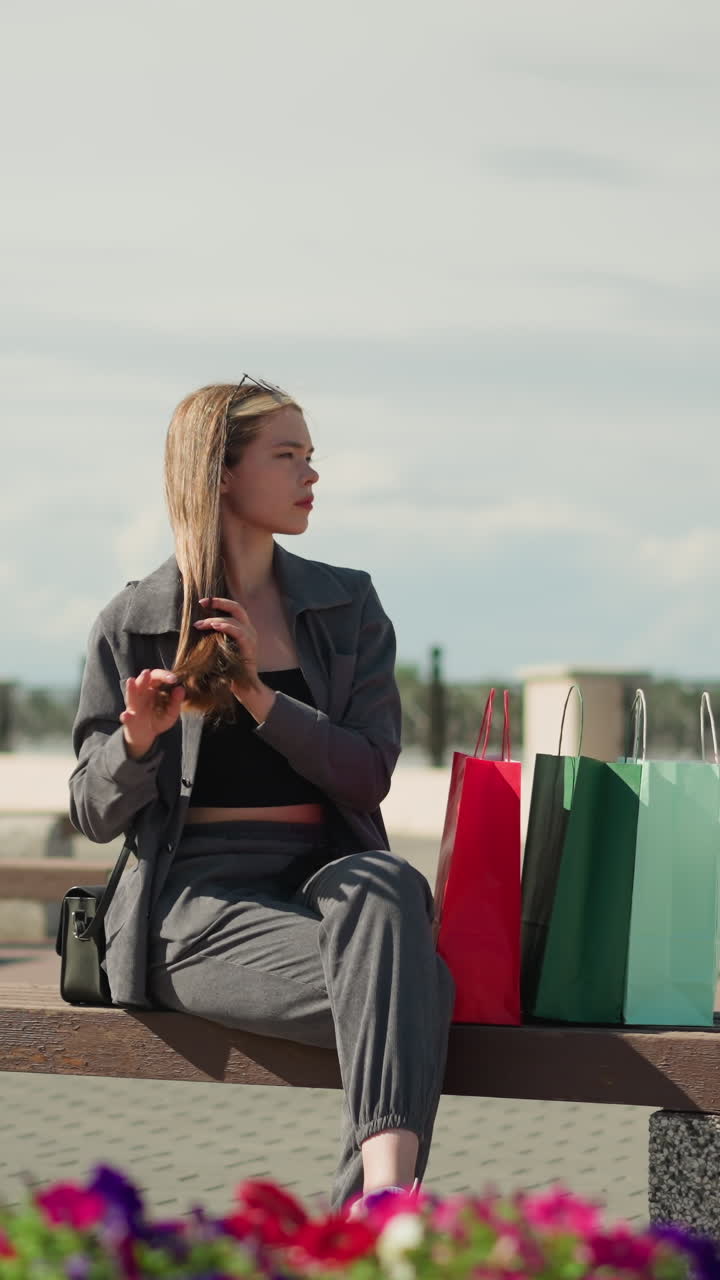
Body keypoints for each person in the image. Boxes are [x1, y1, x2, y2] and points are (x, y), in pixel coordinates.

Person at [69, 376, 455, 1215]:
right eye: (288, 456)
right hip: (195, 905)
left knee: (390, 886)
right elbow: (93, 813)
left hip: (327, 886)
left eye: (312, 456)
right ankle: (387, 1212)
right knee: (416, 987)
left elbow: (366, 775)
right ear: (219, 474)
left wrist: (258, 695)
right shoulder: (133, 621)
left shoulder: (346, 605)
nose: (311, 475)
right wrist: (137, 741)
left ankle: (378, 1205)